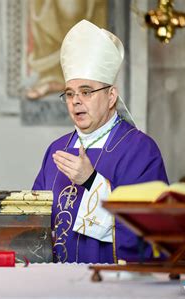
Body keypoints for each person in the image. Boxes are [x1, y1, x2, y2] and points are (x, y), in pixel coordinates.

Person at [32, 20, 168, 264]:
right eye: (70, 93)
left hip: (110, 284)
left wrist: (92, 181)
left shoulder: (140, 150)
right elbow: (35, 222)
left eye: (86, 91)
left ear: (111, 96)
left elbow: (150, 231)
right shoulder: (57, 149)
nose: (76, 101)